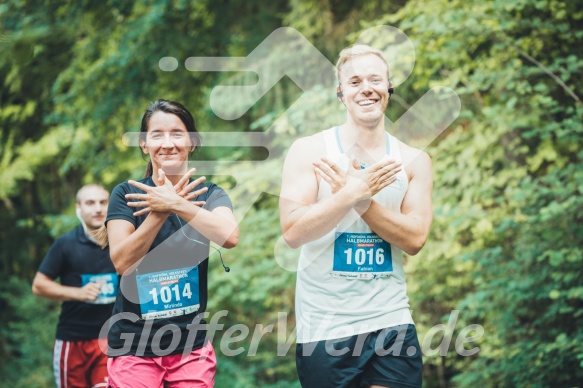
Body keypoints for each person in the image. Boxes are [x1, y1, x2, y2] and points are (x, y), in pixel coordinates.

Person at [279, 44, 433, 388]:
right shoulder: (310, 151)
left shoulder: (413, 160)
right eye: (355, 81)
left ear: (388, 89)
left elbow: (415, 239)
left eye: (376, 80)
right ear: (341, 93)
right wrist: (349, 194)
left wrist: (363, 201)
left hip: (391, 319)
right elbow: (292, 233)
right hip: (325, 326)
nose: (366, 88)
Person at [103, 99, 239, 388]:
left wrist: (178, 204)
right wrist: (158, 212)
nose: (168, 143)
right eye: (157, 134)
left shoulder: (211, 194)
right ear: (143, 144)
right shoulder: (126, 194)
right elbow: (122, 261)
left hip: (191, 347)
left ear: (192, 142)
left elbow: (229, 236)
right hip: (133, 345)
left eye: (177, 133)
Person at [32, 184, 116, 388]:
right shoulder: (65, 244)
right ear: (79, 208)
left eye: (103, 202)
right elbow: (39, 285)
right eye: (90, 203)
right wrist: (79, 293)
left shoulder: (121, 240)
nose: (98, 208)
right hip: (73, 339)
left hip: (110, 338)